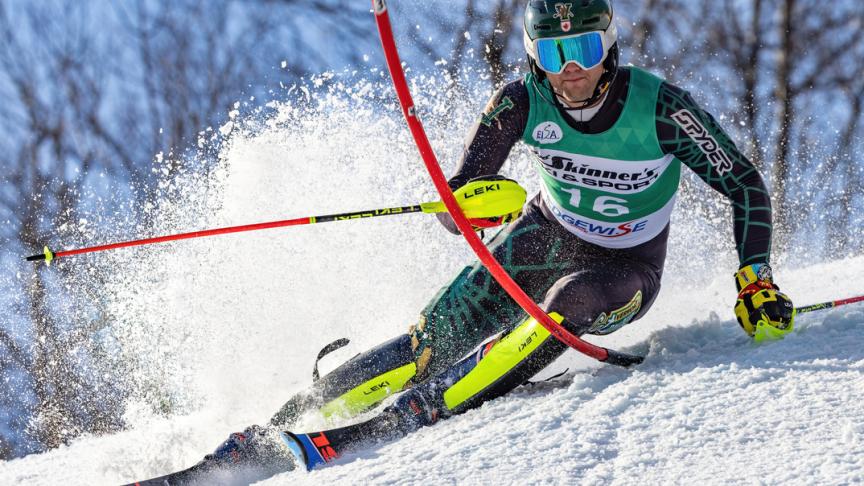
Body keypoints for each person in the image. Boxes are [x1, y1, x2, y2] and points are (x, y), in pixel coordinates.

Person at [140, 0, 796, 481]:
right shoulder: (519, 102)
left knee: (563, 303)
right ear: (535, 57)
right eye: (553, 55)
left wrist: (755, 275)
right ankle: (281, 421)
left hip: (624, 269)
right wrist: (466, 209)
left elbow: (741, 181)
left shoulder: (660, 108)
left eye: (585, 52)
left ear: (610, 45)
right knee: (429, 340)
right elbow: (462, 196)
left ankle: (423, 410)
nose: (570, 72)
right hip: (541, 235)